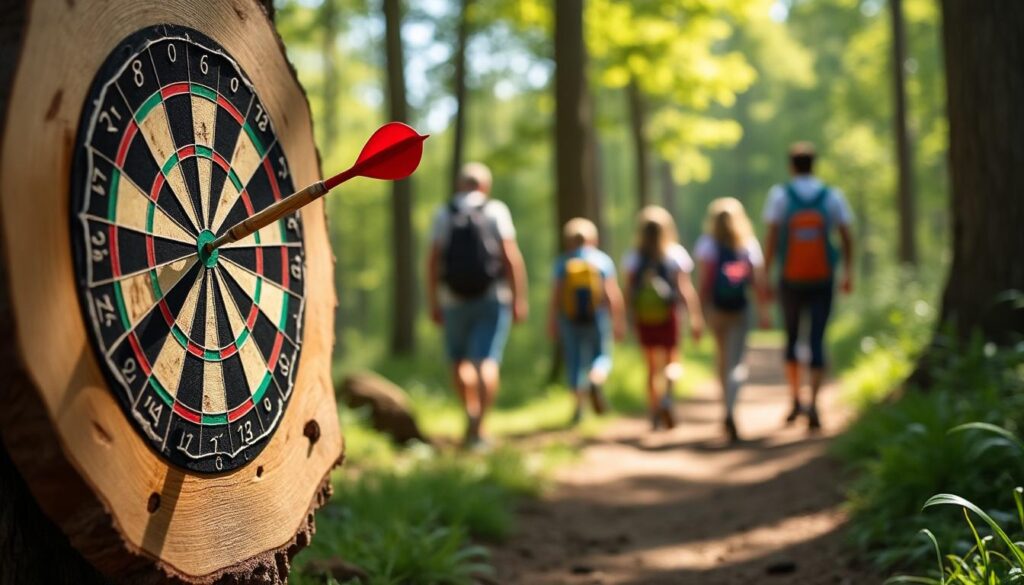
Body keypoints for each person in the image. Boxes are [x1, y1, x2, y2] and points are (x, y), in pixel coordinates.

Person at [426, 162, 529, 448]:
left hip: (452, 298)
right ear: (484, 186)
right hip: (492, 296)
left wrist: (433, 300)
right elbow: (510, 256)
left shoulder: (443, 213)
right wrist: (518, 297)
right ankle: (480, 426)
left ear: (460, 185)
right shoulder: (495, 211)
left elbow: (433, 260)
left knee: (458, 359)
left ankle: (470, 412)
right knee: (486, 359)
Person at [763, 142, 854, 431]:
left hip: (789, 279)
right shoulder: (832, 197)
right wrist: (848, 272)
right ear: (815, 164)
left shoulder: (780, 196)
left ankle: (795, 400)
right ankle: (814, 403)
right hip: (823, 278)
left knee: (791, 339)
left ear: (792, 166)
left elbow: (772, 240)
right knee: (817, 338)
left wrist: (765, 275)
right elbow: (847, 237)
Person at [695, 198, 771, 443]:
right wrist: (764, 311)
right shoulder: (748, 245)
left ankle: (724, 408)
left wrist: (699, 311)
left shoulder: (707, 245)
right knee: (737, 363)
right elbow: (757, 282)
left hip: (717, 309)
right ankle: (731, 409)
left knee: (722, 359)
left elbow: (705, 282)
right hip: (740, 308)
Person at [623, 206, 704, 431]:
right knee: (672, 361)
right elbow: (685, 289)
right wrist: (696, 317)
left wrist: (625, 318)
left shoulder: (633, 257)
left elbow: (628, 292)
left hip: (644, 317)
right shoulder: (675, 254)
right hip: (669, 316)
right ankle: (668, 397)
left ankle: (654, 410)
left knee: (650, 368)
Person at [548, 218, 626, 425]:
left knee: (574, 361)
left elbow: (556, 296)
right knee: (601, 356)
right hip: (596, 317)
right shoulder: (601, 261)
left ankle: (578, 409)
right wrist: (618, 321)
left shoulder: (563, 263)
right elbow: (611, 295)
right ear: (593, 239)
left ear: (568, 241)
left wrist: (552, 321)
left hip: (569, 319)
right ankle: (595, 379)